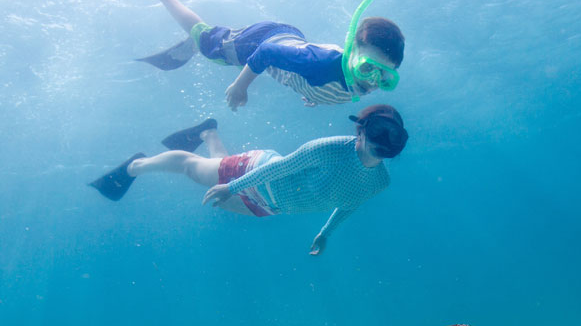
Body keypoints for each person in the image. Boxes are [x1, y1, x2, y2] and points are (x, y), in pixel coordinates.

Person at [88, 105, 409, 256]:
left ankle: (208, 131)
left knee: (217, 197)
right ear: (360, 131)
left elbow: (348, 204)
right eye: (379, 135)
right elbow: (281, 169)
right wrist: (233, 185)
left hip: (273, 206)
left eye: (391, 140)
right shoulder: (329, 149)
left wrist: (325, 233)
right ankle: (134, 166)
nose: (383, 144)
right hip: (257, 172)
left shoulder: (380, 182)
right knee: (193, 169)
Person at [136, 0, 405, 110]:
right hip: (264, 42)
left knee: (226, 45)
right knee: (212, 49)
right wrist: (240, 87)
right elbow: (266, 52)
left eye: (385, 78)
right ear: (352, 51)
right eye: (368, 68)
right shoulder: (322, 64)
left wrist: (314, 95)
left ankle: (217, 37)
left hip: (288, 39)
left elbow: (331, 83)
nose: (373, 82)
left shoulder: (352, 81)